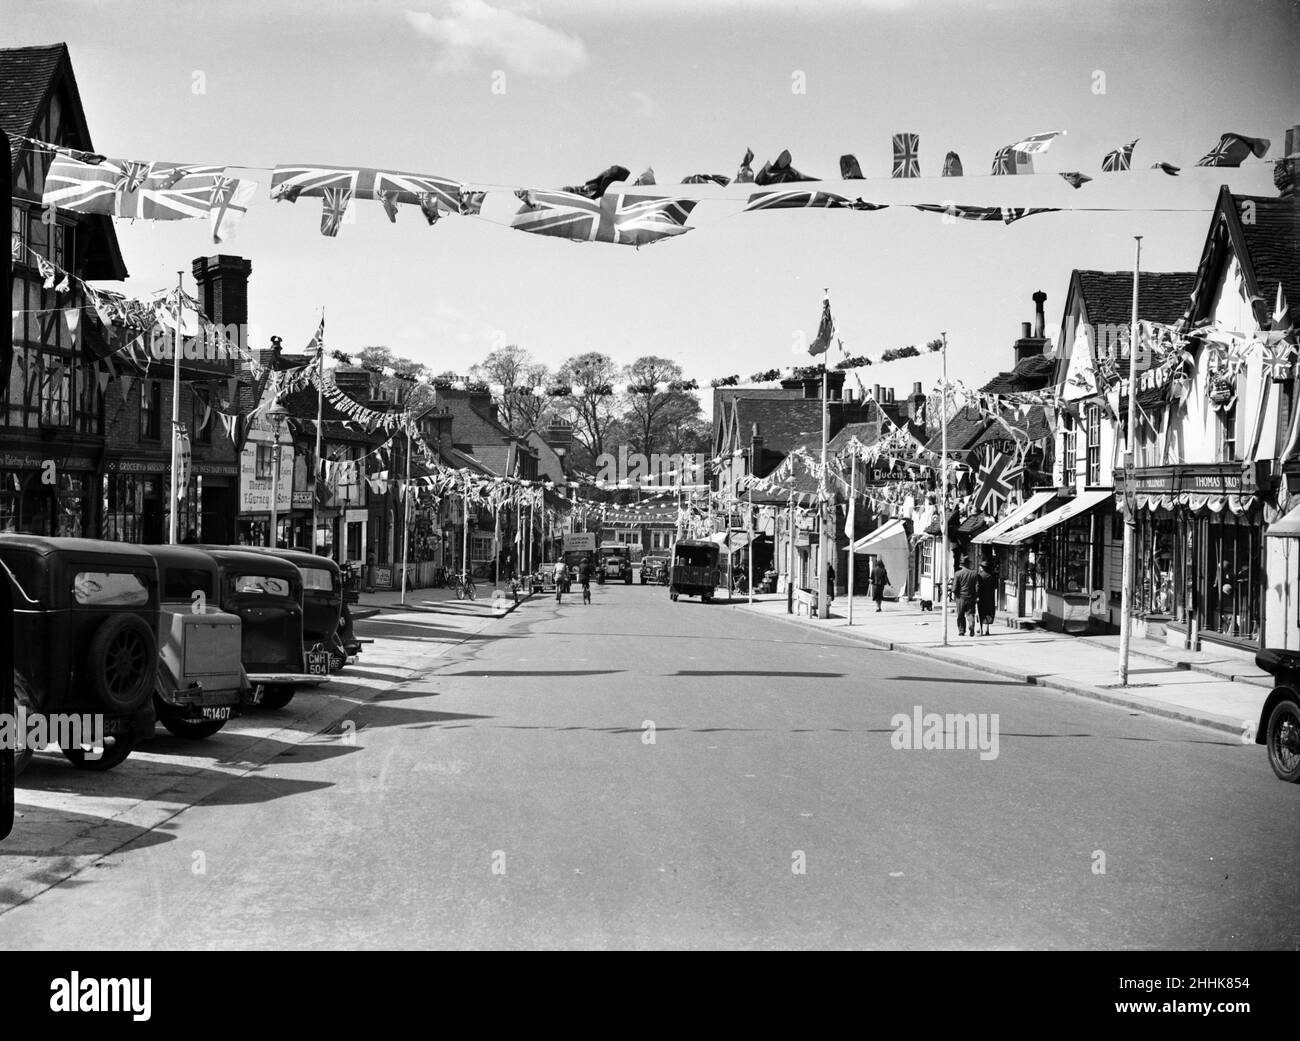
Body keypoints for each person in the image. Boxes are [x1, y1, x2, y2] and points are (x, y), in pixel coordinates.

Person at [952, 555, 980, 637]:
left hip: (960, 597)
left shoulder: (958, 574)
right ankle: (971, 625)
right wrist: (976, 595)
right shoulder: (974, 573)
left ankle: (961, 630)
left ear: (962, 565)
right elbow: (977, 587)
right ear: (968, 564)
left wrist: (955, 594)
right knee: (970, 613)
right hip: (971, 597)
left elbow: (954, 588)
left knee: (960, 615)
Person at [978, 558, 998, 636]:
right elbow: (996, 586)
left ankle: (981, 629)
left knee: (981, 612)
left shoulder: (980, 575)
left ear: (982, 567)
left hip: (981, 596)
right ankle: (987, 629)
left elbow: (977, 586)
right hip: (990, 597)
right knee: (989, 612)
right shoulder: (992, 576)